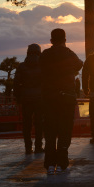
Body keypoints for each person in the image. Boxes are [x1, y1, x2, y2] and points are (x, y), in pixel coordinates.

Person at [39, 28, 83, 175]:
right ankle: (63, 163)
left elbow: (40, 70)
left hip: (49, 98)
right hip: (66, 97)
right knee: (65, 130)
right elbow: (79, 64)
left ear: (51, 40)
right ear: (65, 40)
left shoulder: (45, 55)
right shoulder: (69, 53)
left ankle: (50, 164)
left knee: (50, 131)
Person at [14, 44, 44, 154]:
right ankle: (38, 147)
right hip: (40, 98)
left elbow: (16, 84)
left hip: (26, 98)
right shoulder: (43, 65)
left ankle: (28, 147)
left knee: (26, 124)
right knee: (39, 123)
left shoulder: (21, 66)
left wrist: (18, 98)